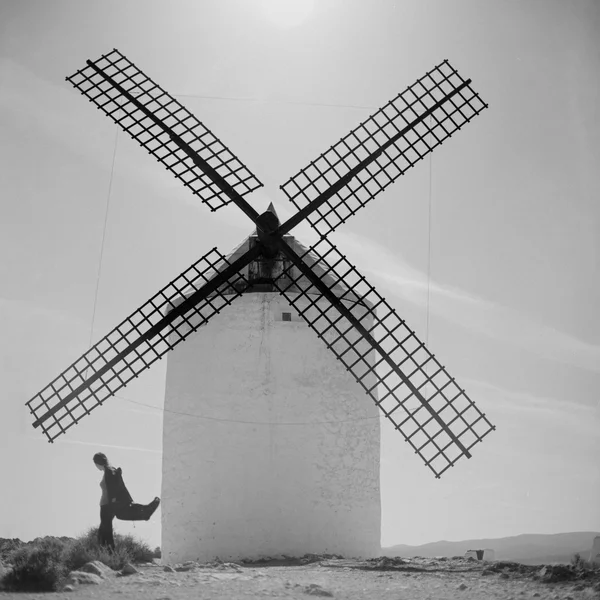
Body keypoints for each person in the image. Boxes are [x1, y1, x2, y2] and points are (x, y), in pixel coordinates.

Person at [93, 452, 160, 551]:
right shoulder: (109, 471)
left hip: (107, 506)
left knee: (105, 531)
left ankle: (108, 553)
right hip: (108, 505)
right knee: (107, 528)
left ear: (97, 463)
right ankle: (145, 512)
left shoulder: (109, 471)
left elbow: (116, 486)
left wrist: (114, 500)